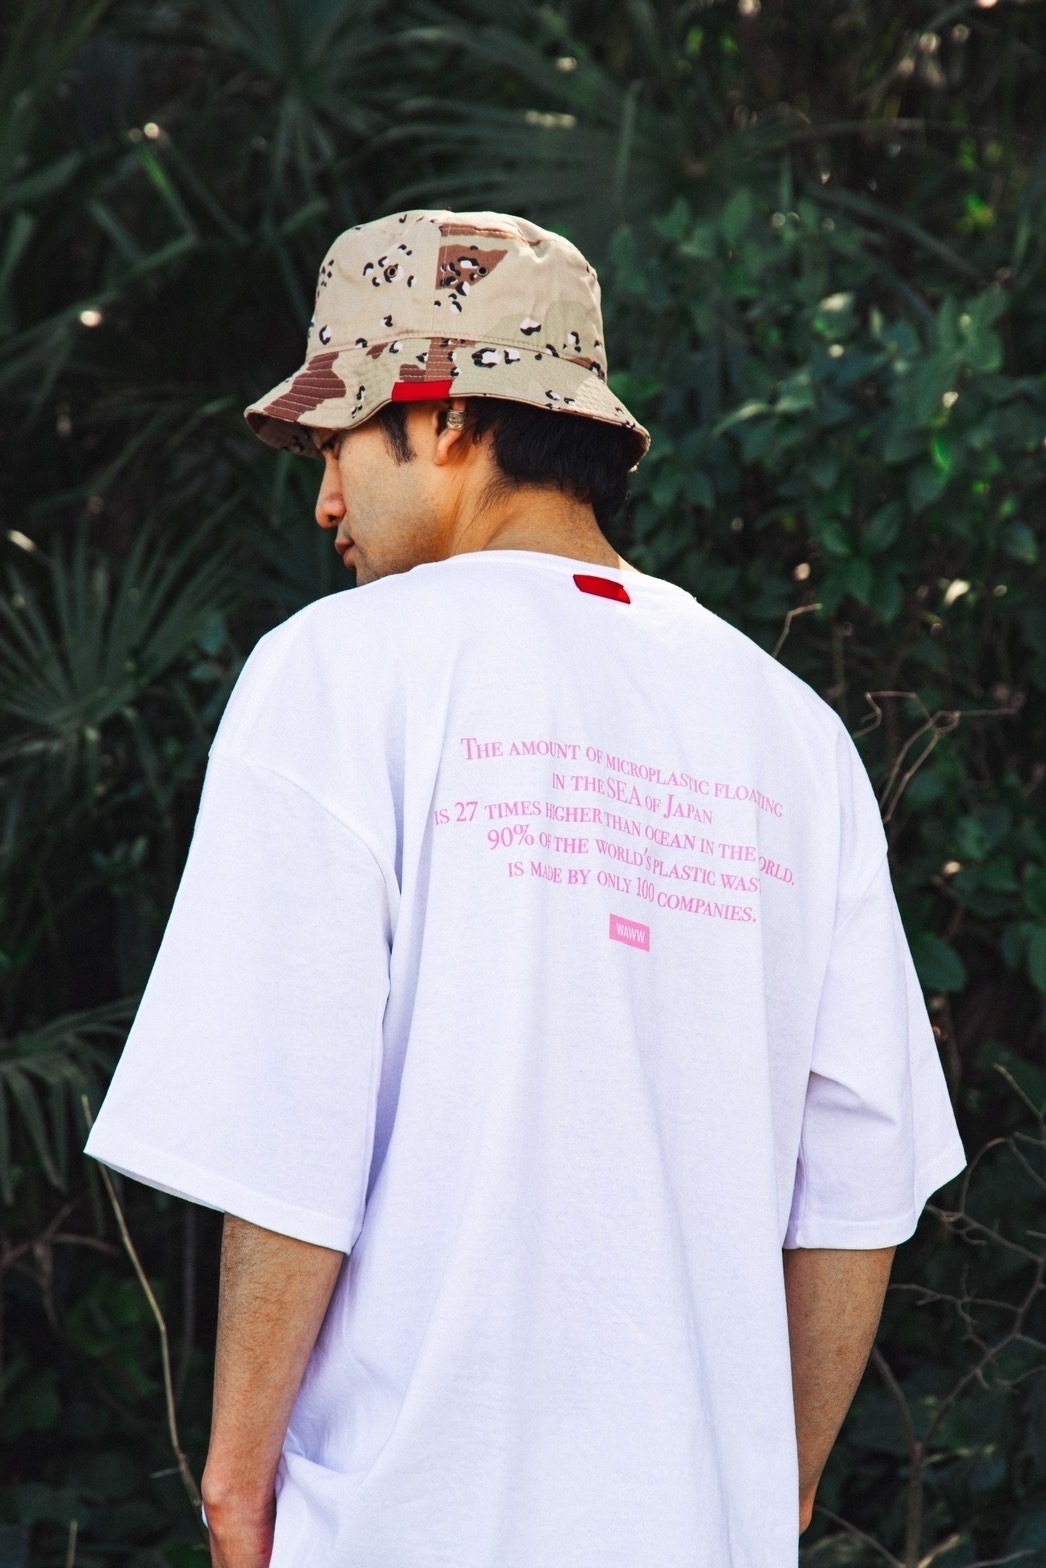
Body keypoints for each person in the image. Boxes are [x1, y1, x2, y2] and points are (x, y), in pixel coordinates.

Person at [85, 209, 965, 1568]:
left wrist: (237, 1484)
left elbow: (291, 1130)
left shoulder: (340, 668)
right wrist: (767, 1494)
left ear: (443, 417)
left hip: (405, 1522)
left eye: (336, 445)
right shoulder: (790, 730)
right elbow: (858, 1176)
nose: (324, 505)